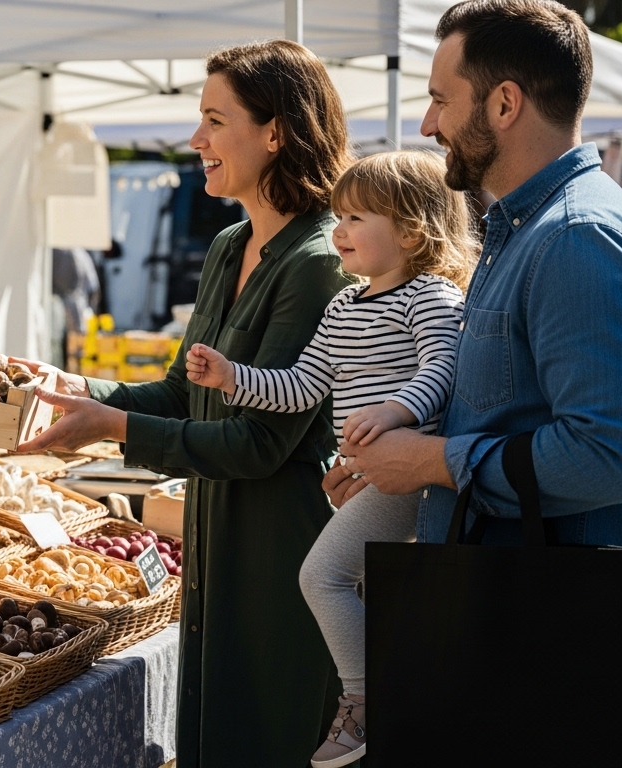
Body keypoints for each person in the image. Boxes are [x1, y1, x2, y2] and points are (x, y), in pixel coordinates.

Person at [16, 40, 353, 767]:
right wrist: (78, 390)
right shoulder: (232, 244)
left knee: (272, 736)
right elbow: (180, 390)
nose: (195, 140)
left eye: (213, 120)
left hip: (283, 551)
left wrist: (113, 428)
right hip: (217, 538)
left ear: (276, 132)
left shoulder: (319, 262)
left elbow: (258, 442)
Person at [330, 0, 622, 705]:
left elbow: (608, 455)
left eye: (440, 100)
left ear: (506, 103)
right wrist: (399, 457)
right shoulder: (527, 226)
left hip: (562, 659)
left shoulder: (578, 237)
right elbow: (510, 405)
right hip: (520, 633)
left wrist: (432, 461)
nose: (429, 125)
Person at [186, 151, 476, 767]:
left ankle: (363, 704)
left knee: (323, 577)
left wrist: (396, 413)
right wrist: (231, 377)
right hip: (368, 481)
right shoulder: (345, 307)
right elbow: (301, 386)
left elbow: (443, 371)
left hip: (409, 479)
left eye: (355, 217)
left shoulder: (432, 298)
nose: (337, 230)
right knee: (366, 591)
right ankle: (388, 697)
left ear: (410, 232)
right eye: (338, 215)